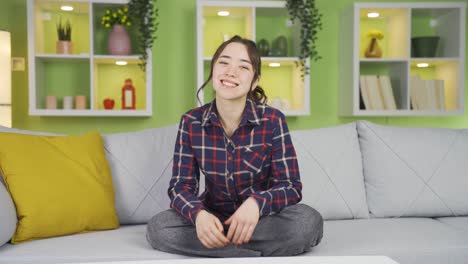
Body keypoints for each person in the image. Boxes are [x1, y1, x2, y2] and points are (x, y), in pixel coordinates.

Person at [146, 35, 323, 257]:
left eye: (243, 67)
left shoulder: (273, 120)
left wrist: (256, 204)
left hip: (262, 219)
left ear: (255, 81)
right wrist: (199, 216)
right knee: (159, 228)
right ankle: (243, 251)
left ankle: (222, 250)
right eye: (224, 62)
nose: (231, 72)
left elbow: (290, 186)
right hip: (213, 217)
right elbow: (180, 187)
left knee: (307, 223)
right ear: (213, 71)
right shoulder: (191, 121)